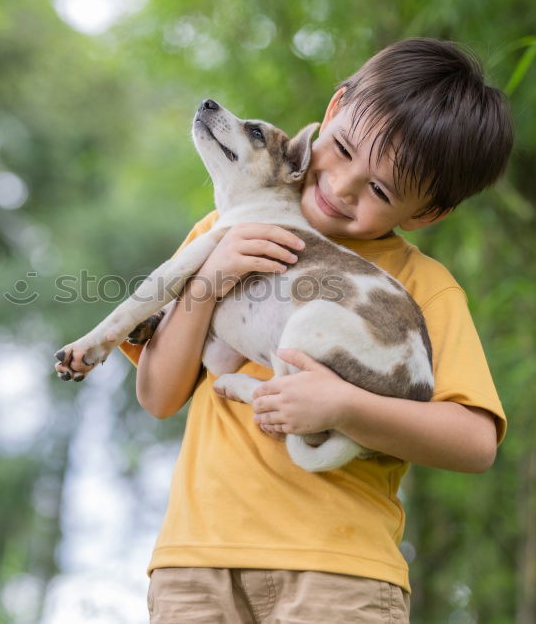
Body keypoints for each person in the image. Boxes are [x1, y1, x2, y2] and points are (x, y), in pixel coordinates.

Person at [118, 38, 513, 623]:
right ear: (333, 110)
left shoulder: (420, 285)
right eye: (345, 148)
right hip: (197, 562)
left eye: (381, 190)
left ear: (427, 213)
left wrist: (344, 406)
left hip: (342, 574)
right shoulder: (230, 225)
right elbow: (158, 395)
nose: (344, 186)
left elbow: (475, 442)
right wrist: (211, 278)